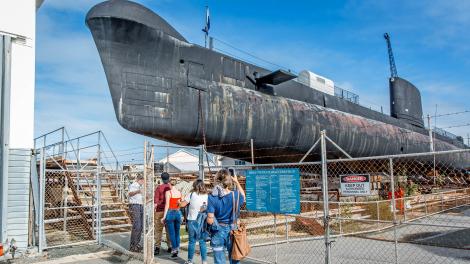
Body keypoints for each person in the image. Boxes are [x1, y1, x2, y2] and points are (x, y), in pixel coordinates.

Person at [207, 169, 246, 264]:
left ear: (217, 180)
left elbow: (210, 221)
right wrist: (236, 181)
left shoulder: (212, 197)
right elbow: (243, 196)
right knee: (235, 257)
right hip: (233, 229)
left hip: (217, 231)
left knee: (219, 259)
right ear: (229, 181)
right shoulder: (235, 195)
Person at [179, 179, 209, 264]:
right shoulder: (207, 196)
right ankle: (204, 261)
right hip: (203, 221)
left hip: (192, 220)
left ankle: (190, 261)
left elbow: (182, 204)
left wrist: (179, 202)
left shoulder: (191, 194)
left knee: (192, 241)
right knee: (202, 241)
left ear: (194, 186)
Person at [162, 177, 182, 258]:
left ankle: (174, 250)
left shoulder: (168, 192)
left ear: (170, 184)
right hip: (177, 212)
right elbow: (180, 204)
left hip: (170, 212)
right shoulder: (179, 192)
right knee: (177, 232)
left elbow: (167, 205)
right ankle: (177, 247)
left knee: (172, 233)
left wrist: (164, 217)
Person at [154, 172, 172, 255]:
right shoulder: (171, 188)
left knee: (158, 230)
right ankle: (170, 246)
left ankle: (157, 247)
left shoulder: (159, 188)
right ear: (169, 178)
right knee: (169, 230)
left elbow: (156, 201)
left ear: (161, 179)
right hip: (169, 211)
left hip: (159, 211)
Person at [128, 174, 144, 252]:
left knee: (140, 226)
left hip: (140, 205)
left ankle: (137, 243)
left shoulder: (141, 186)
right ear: (139, 179)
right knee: (137, 225)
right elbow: (130, 194)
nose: (143, 181)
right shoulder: (134, 185)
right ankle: (133, 245)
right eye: (142, 180)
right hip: (135, 205)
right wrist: (138, 191)